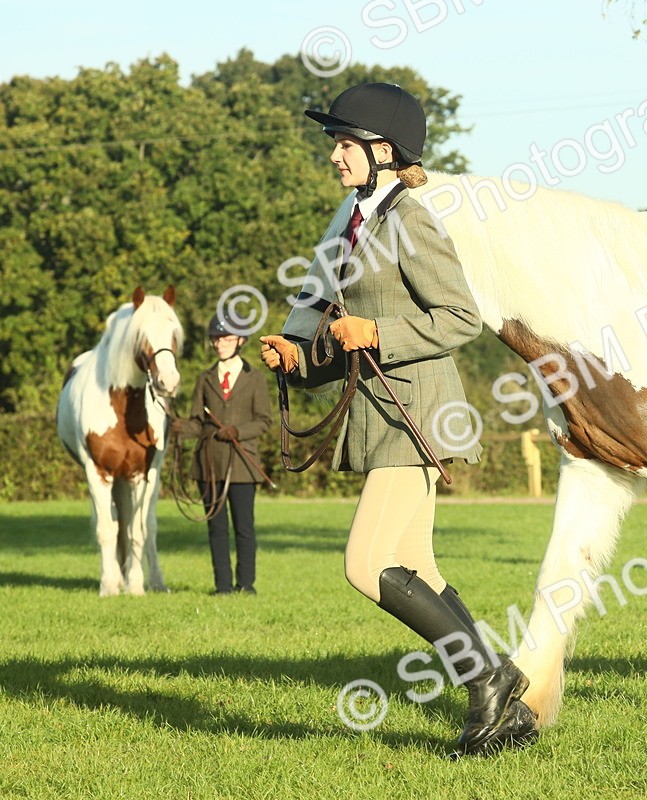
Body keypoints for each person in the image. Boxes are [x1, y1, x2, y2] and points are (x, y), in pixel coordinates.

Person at [257, 82, 536, 756]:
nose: (335, 155)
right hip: (383, 413)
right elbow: (350, 336)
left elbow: (462, 318)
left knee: (365, 563)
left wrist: (377, 330)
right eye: (335, 145)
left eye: (345, 144)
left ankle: (490, 683)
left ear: (383, 150)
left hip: (416, 414)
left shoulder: (409, 219)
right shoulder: (357, 225)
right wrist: (297, 357)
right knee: (415, 562)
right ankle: (504, 701)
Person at [172, 314, 272, 594]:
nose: (219, 344)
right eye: (216, 339)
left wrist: (237, 431)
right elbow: (197, 421)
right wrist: (181, 428)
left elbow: (264, 421)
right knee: (216, 529)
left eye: (226, 338)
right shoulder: (204, 378)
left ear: (240, 341)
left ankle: (246, 584)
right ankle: (223, 586)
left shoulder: (255, 379)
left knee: (244, 528)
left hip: (242, 464)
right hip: (209, 464)